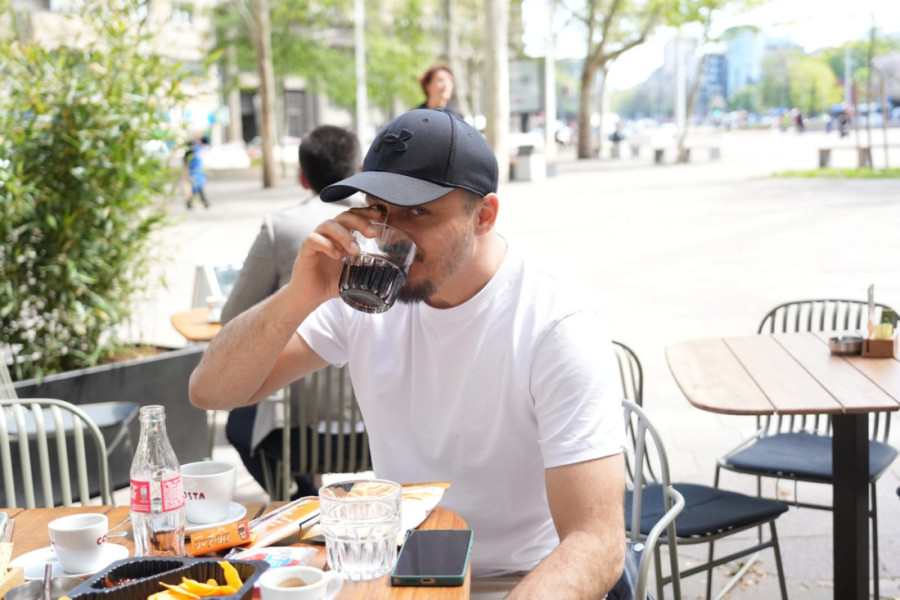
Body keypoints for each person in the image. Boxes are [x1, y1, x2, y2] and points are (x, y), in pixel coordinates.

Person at [190, 109, 626, 598]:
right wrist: (300, 294)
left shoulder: (554, 324)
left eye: (418, 212)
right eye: (379, 209)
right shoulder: (368, 296)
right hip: (404, 573)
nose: (391, 235)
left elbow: (596, 541)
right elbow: (212, 390)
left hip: (517, 582)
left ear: (484, 216)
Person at [220, 125, 363, 499]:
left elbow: (233, 319)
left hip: (301, 432)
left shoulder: (281, 227)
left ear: (303, 178)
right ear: (360, 168)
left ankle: (300, 497)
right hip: (379, 429)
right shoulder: (388, 229)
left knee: (239, 426)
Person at [184, 134, 210, 209]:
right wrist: (187, 167)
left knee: (198, 187)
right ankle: (204, 203)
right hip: (193, 169)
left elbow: (206, 141)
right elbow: (186, 158)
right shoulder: (189, 146)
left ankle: (191, 203)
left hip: (199, 169)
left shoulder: (201, 144)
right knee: (196, 187)